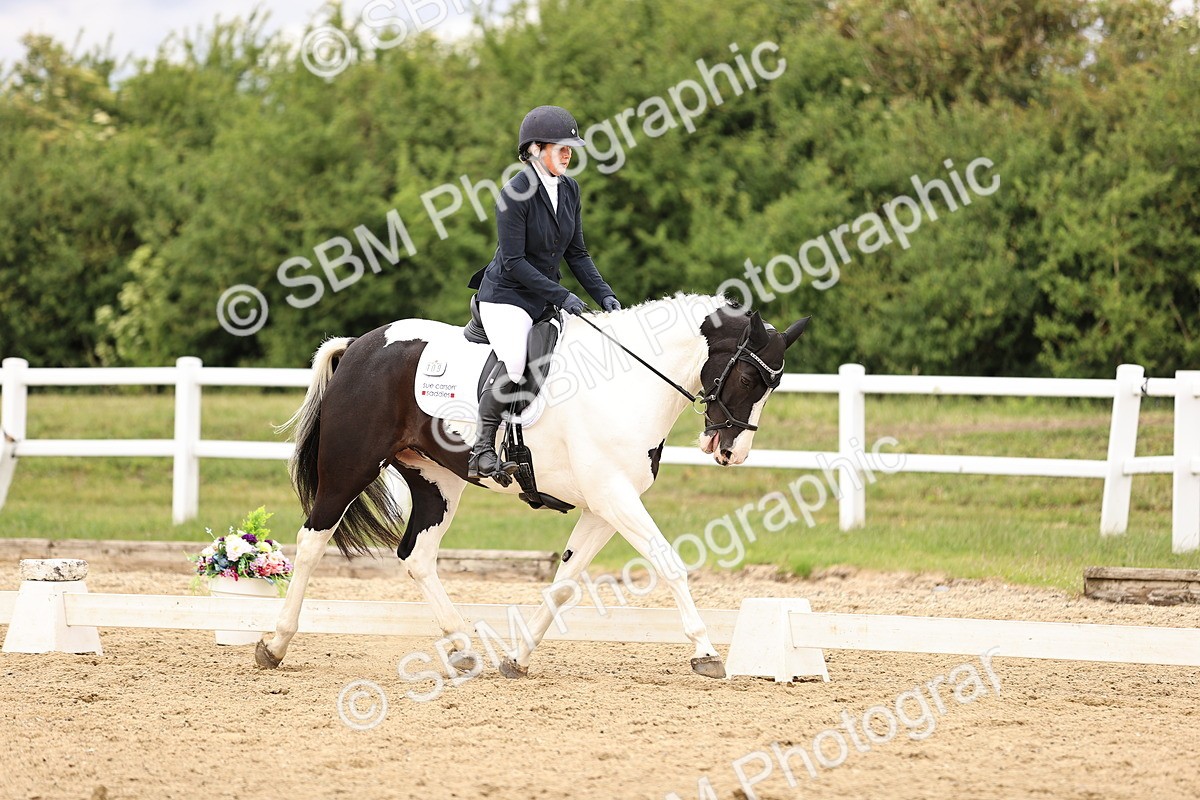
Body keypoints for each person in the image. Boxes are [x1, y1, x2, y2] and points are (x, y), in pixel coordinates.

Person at [465, 105, 622, 481]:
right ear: (535, 149)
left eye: (571, 148)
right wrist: (562, 296)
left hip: (543, 297)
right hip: (507, 296)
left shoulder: (569, 189)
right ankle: (482, 449)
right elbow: (515, 262)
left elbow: (577, 254)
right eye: (561, 147)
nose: (568, 154)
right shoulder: (513, 194)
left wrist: (605, 296)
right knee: (517, 363)